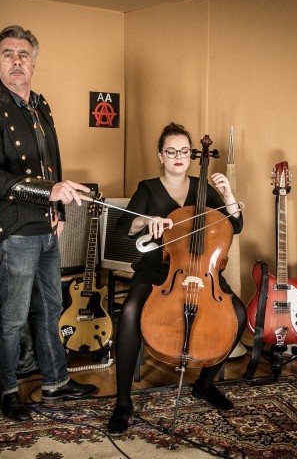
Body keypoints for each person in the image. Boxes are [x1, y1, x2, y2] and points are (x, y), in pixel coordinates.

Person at [0, 25, 98, 422]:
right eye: (8, 54)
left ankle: (55, 382)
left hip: (46, 228)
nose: (16, 60)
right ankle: (6, 391)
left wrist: (59, 213)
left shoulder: (42, 107)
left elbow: (52, 168)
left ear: (34, 63)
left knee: (50, 309)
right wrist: (47, 194)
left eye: (23, 54)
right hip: (13, 231)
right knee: (13, 317)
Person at [108, 122, 246, 434]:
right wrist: (145, 220)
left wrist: (227, 194)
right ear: (161, 155)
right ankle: (123, 402)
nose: (178, 156)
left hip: (201, 270)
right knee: (130, 312)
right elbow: (122, 229)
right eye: (171, 151)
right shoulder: (147, 189)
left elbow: (234, 227)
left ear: (192, 155)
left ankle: (205, 384)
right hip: (159, 272)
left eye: (184, 151)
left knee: (237, 314)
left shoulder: (202, 189)